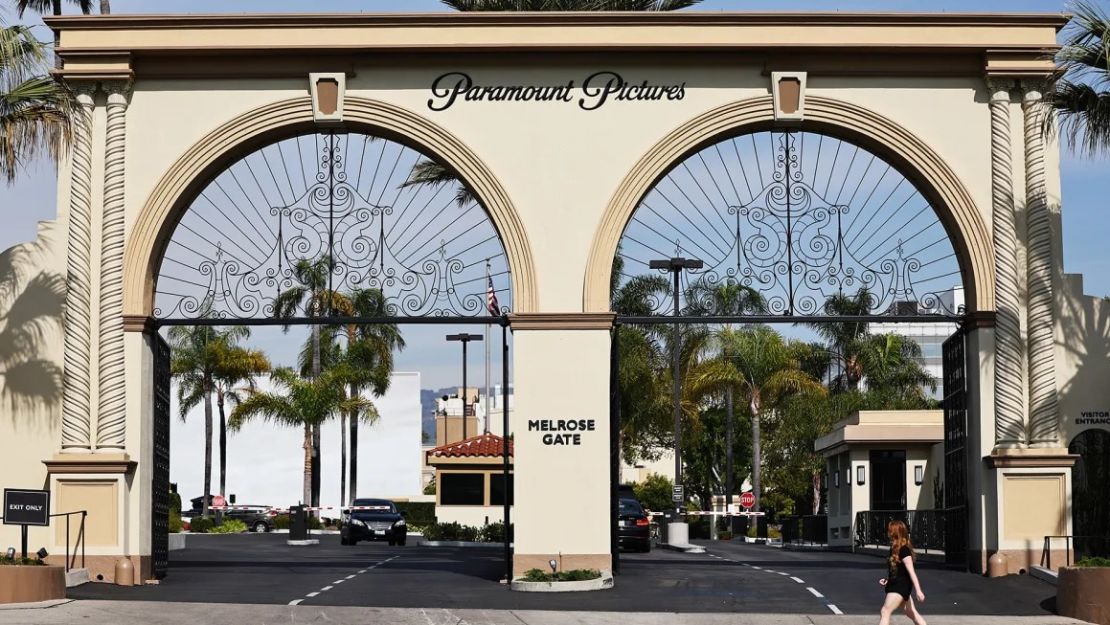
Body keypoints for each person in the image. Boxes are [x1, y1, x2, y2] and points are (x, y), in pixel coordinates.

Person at [878, 519, 926, 625]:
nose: (888, 533)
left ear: (894, 533)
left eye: (889, 531)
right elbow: (896, 569)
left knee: (885, 611)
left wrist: (918, 590)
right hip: (895, 584)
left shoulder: (904, 550)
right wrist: (887, 580)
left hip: (900, 587)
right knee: (912, 614)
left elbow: (911, 572)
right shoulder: (893, 549)